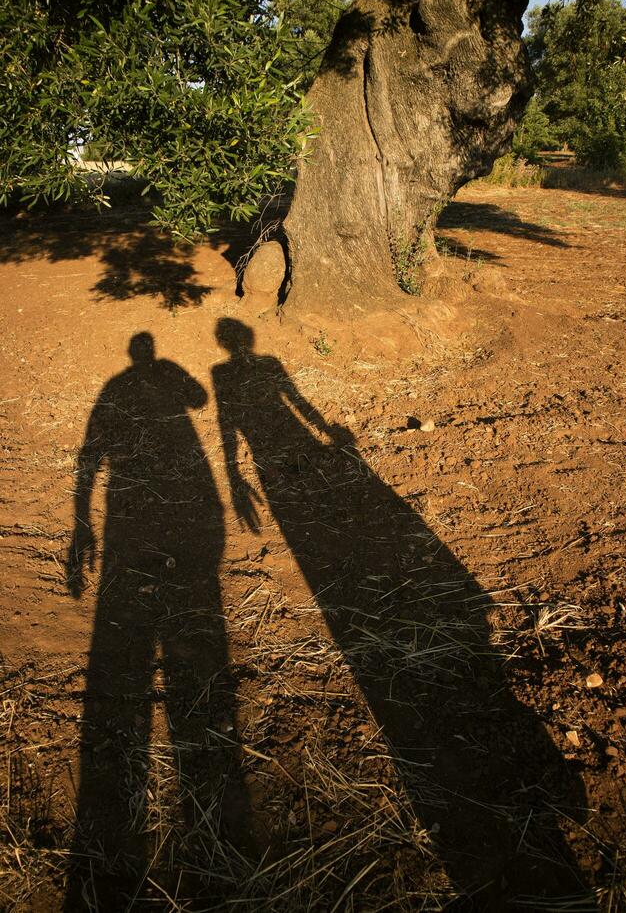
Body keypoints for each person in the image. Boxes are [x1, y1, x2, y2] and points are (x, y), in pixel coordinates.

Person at [212, 317, 592, 909]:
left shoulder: (243, 371)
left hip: (277, 456)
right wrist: (281, 453)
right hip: (281, 458)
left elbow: (284, 408)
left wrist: (251, 463)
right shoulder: (244, 370)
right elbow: (289, 409)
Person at [66, 332, 244, 909]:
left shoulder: (117, 387)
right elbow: (198, 399)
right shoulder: (156, 377)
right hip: (174, 495)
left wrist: (81, 523)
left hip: (135, 504)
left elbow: (92, 453)